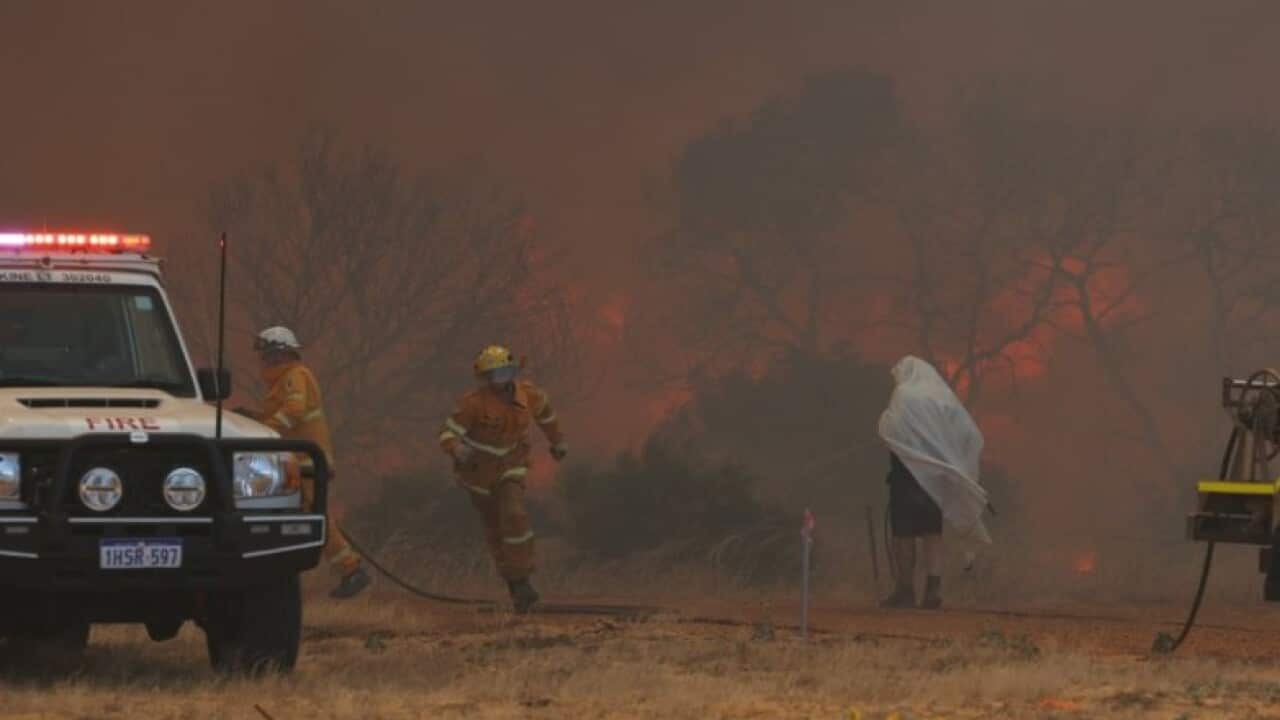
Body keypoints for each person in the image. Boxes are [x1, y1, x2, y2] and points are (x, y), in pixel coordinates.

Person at [438, 345, 567, 614]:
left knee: (515, 515)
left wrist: (557, 442)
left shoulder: (529, 394)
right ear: (486, 378)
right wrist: (456, 448)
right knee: (495, 530)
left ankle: (523, 579)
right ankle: (515, 584)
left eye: (507, 372)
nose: (503, 380)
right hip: (477, 476)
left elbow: (547, 416)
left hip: (512, 465)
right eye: (496, 375)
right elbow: (447, 433)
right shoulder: (472, 404)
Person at [247, 326, 371, 599]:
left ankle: (352, 570)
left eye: (267, 353)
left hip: (308, 462)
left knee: (317, 516)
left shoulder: (295, 376)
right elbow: (280, 414)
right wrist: (250, 419)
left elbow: (294, 410)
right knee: (308, 514)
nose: (264, 360)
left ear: (280, 352)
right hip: (296, 462)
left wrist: (266, 432)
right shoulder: (283, 381)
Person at [877, 356, 990, 611]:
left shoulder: (903, 394)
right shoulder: (941, 397)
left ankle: (905, 590)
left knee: (903, 535)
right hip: (936, 478)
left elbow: (891, 428)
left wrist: (884, 422)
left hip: (906, 476)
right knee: (932, 533)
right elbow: (964, 431)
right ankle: (933, 590)